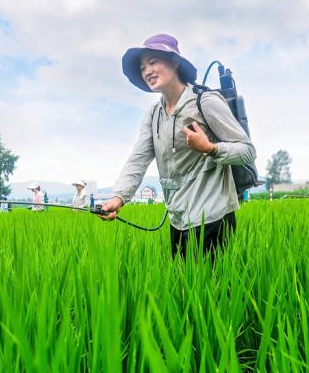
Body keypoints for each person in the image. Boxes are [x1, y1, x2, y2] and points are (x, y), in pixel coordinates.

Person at [100, 34, 256, 258]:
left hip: (213, 216)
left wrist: (211, 148)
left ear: (174, 61)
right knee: (185, 288)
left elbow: (248, 151)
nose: (147, 71)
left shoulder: (206, 102)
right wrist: (118, 198)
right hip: (178, 219)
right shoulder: (153, 115)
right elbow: (138, 159)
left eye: (153, 62)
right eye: (143, 67)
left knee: (216, 290)